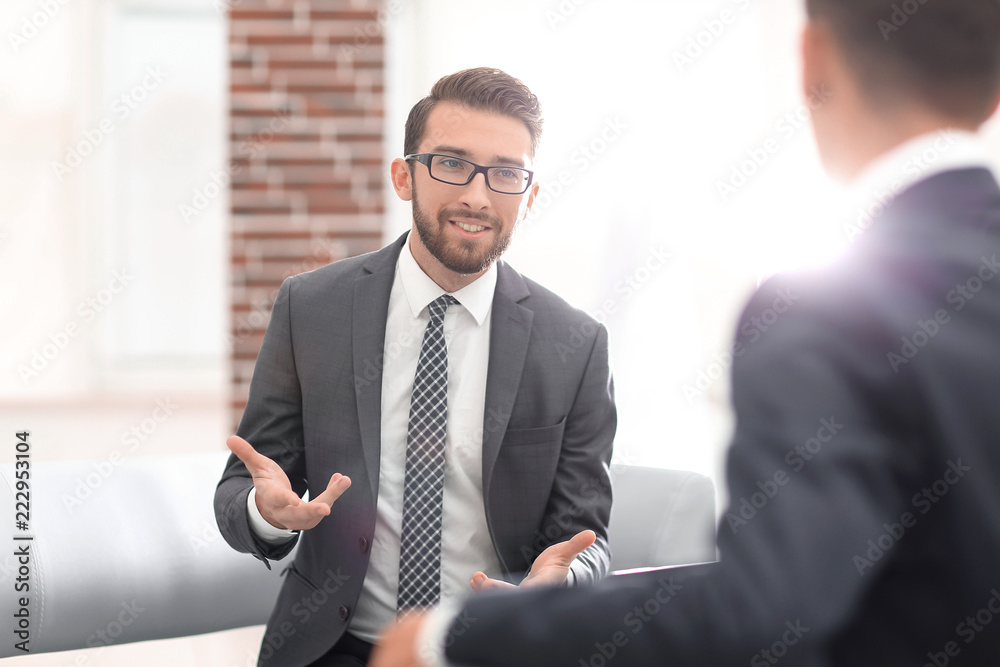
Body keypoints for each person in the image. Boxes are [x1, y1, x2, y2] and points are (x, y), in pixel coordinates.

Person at [372, 1, 1000, 665]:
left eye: (503, 172)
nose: (475, 194)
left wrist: (459, 636)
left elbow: (764, 607)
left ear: (811, 58)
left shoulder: (825, 313)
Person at [214, 67, 616, 667]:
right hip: (336, 647)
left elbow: (586, 537)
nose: (477, 196)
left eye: (506, 173)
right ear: (404, 177)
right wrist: (265, 514)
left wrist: (563, 580)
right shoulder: (311, 308)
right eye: (451, 163)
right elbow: (242, 488)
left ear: (529, 196)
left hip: (491, 648)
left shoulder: (575, 345)